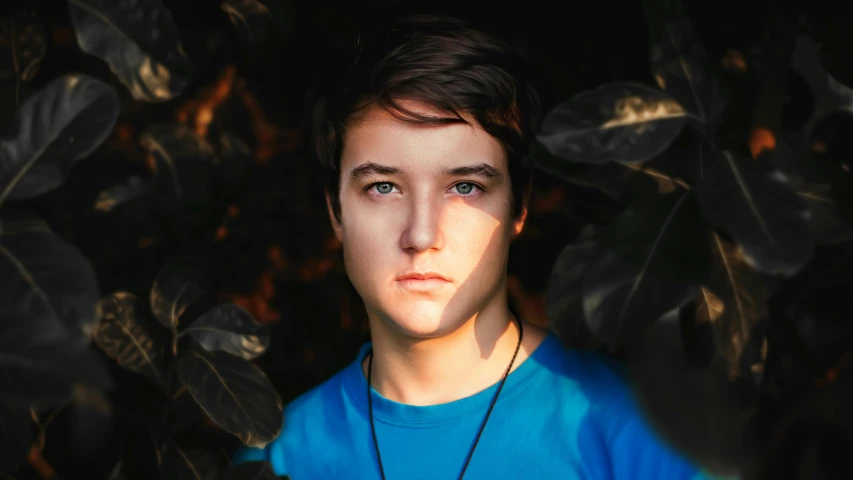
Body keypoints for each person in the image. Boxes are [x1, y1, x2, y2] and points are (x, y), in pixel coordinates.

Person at [233, 13, 719, 480]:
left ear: (518, 207)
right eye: (383, 187)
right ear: (336, 210)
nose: (422, 236)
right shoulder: (276, 461)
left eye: (464, 186)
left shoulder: (647, 435)